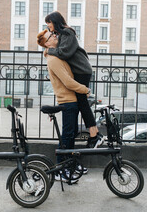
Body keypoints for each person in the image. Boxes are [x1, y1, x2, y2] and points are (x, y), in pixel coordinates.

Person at [44, 11, 103, 148]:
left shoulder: (68, 32)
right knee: (82, 102)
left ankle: (95, 135)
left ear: (56, 21)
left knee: (82, 102)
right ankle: (94, 135)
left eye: (49, 22)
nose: (48, 26)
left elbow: (64, 53)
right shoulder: (61, 35)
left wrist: (48, 51)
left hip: (81, 70)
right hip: (77, 70)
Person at [37, 29, 89, 181]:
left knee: (70, 136)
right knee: (67, 137)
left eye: (53, 34)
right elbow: (67, 81)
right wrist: (85, 89)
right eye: (51, 36)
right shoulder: (53, 60)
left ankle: (71, 165)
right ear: (47, 43)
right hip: (68, 101)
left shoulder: (56, 56)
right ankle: (61, 170)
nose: (55, 36)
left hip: (71, 100)